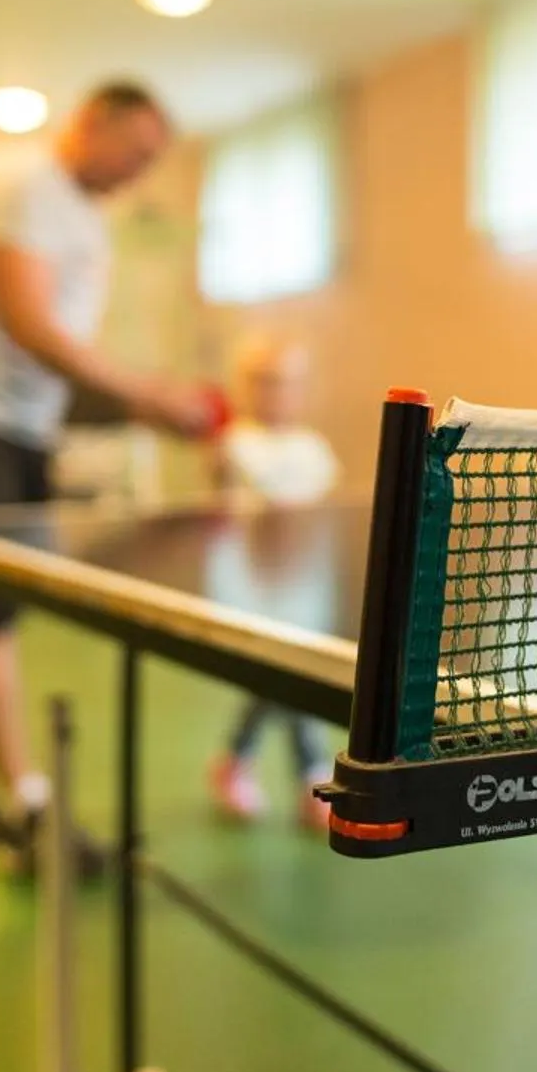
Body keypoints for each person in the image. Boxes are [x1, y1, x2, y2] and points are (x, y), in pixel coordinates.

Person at [0, 80, 217, 872]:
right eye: (135, 154)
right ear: (90, 124)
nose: (136, 175)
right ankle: (30, 810)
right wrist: (145, 394)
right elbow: (29, 325)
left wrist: (145, 408)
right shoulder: (23, 184)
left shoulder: (85, 219)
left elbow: (55, 373)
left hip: (18, 424)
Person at [205, 336, 341, 829]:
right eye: (263, 381)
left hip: (302, 590)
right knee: (284, 679)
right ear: (246, 387)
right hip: (249, 589)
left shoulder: (314, 449)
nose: (275, 392)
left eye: (284, 383)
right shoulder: (235, 444)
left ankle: (237, 763)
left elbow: (325, 516)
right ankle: (310, 779)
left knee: (288, 680)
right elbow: (222, 503)